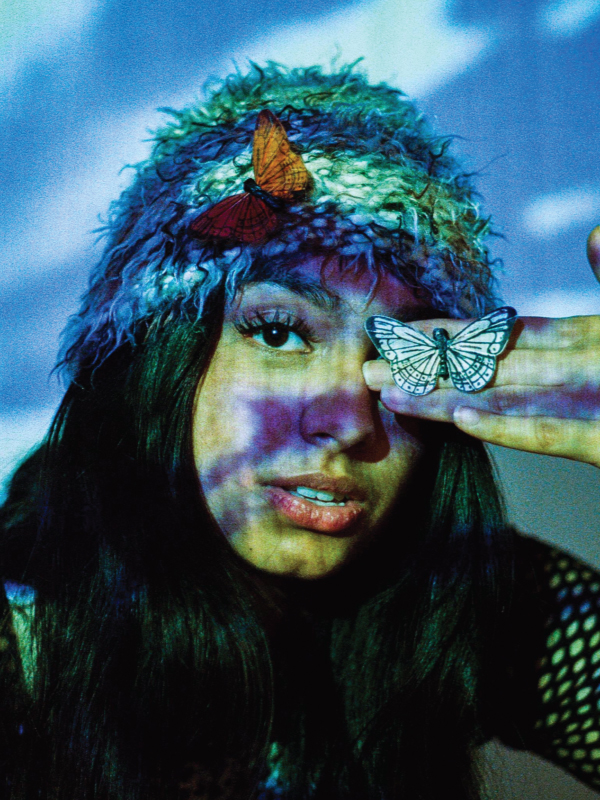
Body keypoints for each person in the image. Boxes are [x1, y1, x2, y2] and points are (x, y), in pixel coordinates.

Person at [1, 63, 599, 800]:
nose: (347, 420)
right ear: (159, 363)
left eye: (398, 354)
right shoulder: (18, 650)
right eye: (280, 333)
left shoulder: (470, 604)